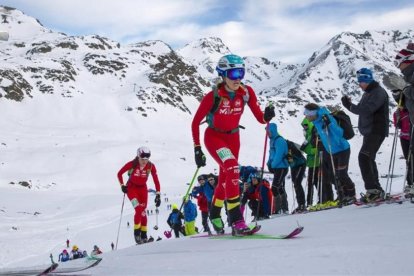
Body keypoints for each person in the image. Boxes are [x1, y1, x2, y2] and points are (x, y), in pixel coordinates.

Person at [191, 54, 275, 235]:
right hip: (214, 137)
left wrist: (266, 116)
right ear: (222, 74)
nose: (238, 78)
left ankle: (214, 213)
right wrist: (197, 148)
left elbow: (260, 118)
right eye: (233, 73)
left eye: (241, 73)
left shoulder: (246, 93)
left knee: (224, 179)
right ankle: (236, 219)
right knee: (233, 168)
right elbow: (195, 122)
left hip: (234, 138)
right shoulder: (212, 96)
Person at [341, 68, 389, 202]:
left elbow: (366, 110)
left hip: (376, 130)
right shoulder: (369, 93)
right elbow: (362, 109)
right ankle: (377, 190)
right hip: (369, 131)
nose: (359, 84)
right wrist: (350, 105)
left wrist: (349, 106)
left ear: (367, 80)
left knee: (364, 158)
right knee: (368, 158)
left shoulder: (378, 92)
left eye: (361, 81)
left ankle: (374, 191)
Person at [304, 103, 356, 205]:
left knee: (342, 174)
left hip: (342, 149)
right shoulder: (316, 121)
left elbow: (339, 133)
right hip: (332, 151)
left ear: (313, 113)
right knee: (335, 176)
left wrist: (330, 124)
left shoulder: (327, 118)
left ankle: (351, 194)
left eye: (307, 113)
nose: (305, 116)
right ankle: (344, 195)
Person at [117, 146, 162, 244]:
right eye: (142, 159)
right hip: (131, 189)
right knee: (138, 209)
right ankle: (137, 233)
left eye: (147, 159)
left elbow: (156, 180)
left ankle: (144, 235)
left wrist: (158, 194)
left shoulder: (151, 166)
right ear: (138, 157)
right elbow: (119, 173)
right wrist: (122, 185)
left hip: (142, 189)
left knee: (143, 211)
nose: (144, 161)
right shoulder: (132, 164)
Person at [394, 47, 414, 197]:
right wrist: (398, 95)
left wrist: (405, 88)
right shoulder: (408, 77)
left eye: (398, 62)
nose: (398, 66)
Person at [267, 122, 289, 214]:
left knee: (275, 188)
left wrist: (273, 165)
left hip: (281, 167)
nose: (267, 134)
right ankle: (284, 209)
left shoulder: (279, 140)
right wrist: (268, 163)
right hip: (276, 167)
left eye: (268, 132)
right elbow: (271, 154)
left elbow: (279, 155)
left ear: (272, 130)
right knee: (279, 187)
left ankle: (279, 210)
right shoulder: (272, 141)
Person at [300, 118, 321, 206]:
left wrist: (309, 151)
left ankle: (321, 199)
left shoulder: (314, 133)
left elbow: (318, 148)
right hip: (311, 162)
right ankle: (309, 202)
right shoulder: (308, 136)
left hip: (317, 161)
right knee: (311, 182)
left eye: (305, 126)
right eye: (303, 126)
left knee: (316, 181)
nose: (304, 128)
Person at [286, 140, 307, 213]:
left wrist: (289, 157)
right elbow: (290, 160)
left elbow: (296, 155)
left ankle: (302, 205)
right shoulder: (285, 147)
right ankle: (300, 204)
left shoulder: (289, 146)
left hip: (300, 163)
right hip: (294, 166)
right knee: (295, 183)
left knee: (297, 182)